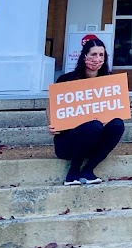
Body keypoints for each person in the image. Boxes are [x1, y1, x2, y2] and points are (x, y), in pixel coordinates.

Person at [48, 37, 125, 186]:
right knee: (93, 125)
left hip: (95, 141)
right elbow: (51, 105)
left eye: (101, 55)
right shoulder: (67, 79)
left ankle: (88, 170)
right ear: (85, 56)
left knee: (117, 124)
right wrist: (52, 124)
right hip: (69, 142)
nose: (97, 59)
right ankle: (73, 173)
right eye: (93, 54)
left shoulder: (109, 82)